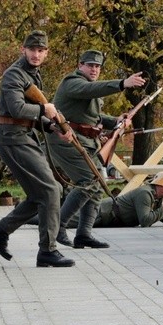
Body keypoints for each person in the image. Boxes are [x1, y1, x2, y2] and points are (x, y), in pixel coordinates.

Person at [0, 30, 75, 267]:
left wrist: (53, 127)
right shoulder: (14, 75)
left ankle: (0, 231)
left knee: (39, 195)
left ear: (46, 53)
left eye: (41, 51)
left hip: (22, 136)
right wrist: (46, 111)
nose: (36, 54)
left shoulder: (32, 74)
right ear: (23, 50)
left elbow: (31, 114)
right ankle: (48, 250)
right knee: (52, 190)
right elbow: (16, 110)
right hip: (12, 138)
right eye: (32, 50)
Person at [46, 49, 145, 249]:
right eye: (90, 65)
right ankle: (58, 227)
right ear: (80, 65)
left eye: (97, 66)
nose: (94, 69)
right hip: (63, 138)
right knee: (88, 182)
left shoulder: (90, 88)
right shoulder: (72, 82)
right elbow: (89, 91)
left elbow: (94, 118)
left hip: (85, 140)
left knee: (97, 185)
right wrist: (122, 84)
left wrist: (116, 121)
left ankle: (83, 234)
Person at [91, 172, 163, 228]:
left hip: (106, 216)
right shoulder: (145, 193)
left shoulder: (157, 196)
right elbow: (145, 221)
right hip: (100, 212)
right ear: (161, 185)